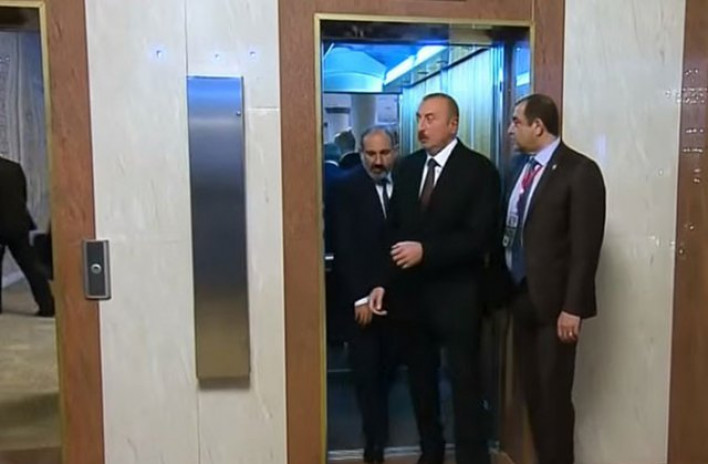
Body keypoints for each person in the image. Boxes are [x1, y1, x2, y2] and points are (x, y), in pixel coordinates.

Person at [368, 93, 501, 464]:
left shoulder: (479, 170)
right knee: (421, 385)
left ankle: (472, 457)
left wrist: (426, 251)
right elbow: (394, 231)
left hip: (459, 297)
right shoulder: (408, 168)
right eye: (419, 119)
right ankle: (431, 452)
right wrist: (382, 281)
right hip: (413, 298)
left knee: (465, 386)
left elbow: (479, 237)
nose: (422, 127)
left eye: (430, 118)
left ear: (453, 124)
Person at [503, 93, 606, 464]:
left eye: (516, 121)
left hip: (557, 307)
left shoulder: (580, 171)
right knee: (533, 394)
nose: (510, 129)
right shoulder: (518, 168)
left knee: (554, 398)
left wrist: (573, 307)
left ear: (538, 126)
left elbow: (585, 247)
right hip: (521, 297)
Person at [332, 126, 398, 464]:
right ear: (360, 154)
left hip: (397, 298)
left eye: (384, 153)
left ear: (394, 152)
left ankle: (382, 431)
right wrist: (360, 297)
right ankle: (374, 443)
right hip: (362, 300)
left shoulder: (405, 185)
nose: (377, 161)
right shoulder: (345, 188)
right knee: (366, 374)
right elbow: (343, 246)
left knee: (388, 371)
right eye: (370, 154)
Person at [0, 155, 54, 317]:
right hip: (18, 224)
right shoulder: (14, 167)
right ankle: (47, 305)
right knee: (31, 267)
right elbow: (23, 194)